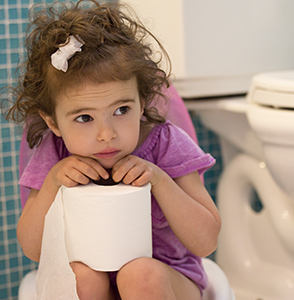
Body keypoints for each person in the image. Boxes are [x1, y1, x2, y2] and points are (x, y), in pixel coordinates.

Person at [4, 1, 221, 299]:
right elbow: (32, 248)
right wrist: (54, 181)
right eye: (84, 118)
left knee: (140, 274)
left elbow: (206, 241)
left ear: (142, 102)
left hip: (167, 280)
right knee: (81, 278)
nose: (107, 134)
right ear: (53, 122)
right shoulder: (54, 153)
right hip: (95, 281)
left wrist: (159, 180)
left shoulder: (167, 143)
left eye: (121, 109)